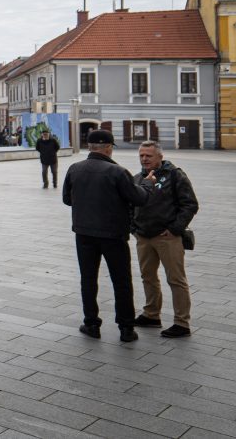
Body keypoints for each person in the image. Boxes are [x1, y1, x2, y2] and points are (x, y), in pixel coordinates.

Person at [62, 129, 152, 342]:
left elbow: (67, 199)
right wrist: (148, 183)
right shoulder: (118, 172)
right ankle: (126, 328)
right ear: (109, 148)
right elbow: (139, 198)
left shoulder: (75, 169)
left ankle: (91, 323)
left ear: (90, 147)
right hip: (113, 234)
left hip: (83, 233)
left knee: (88, 279)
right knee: (121, 281)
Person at [131, 141, 198, 339]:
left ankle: (181, 323)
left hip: (167, 237)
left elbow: (190, 204)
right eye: (142, 155)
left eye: (148, 156)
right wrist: (133, 228)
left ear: (159, 157)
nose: (144, 159)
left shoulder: (175, 175)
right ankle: (151, 315)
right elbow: (130, 204)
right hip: (143, 236)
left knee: (176, 279)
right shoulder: (137, 178)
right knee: (148, 276)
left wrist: (174, 229)